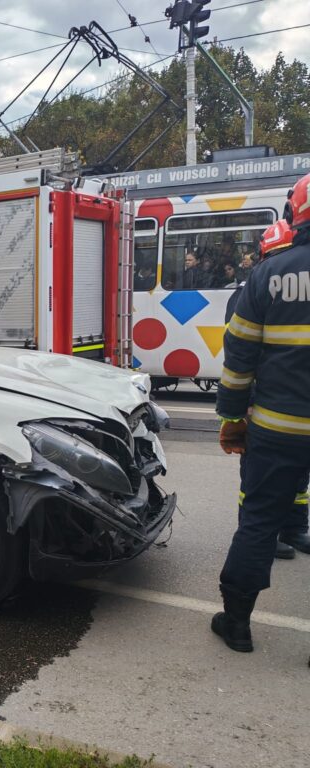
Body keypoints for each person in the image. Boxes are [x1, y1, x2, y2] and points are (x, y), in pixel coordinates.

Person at [213, 173, 310, 653]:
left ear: (295, 215)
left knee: (259, 521)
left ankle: (237, 625)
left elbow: (239, 358)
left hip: (276, 429)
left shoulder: (268, 276)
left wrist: (232, 419)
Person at [223, 219, 308, 562]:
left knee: (297, 479)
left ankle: (294, 527)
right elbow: (240, 350)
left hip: (279, 407)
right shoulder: (249, 290)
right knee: (257, 481)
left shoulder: (267, 280)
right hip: (263, 401)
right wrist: (236, 411)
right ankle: (264, 533)